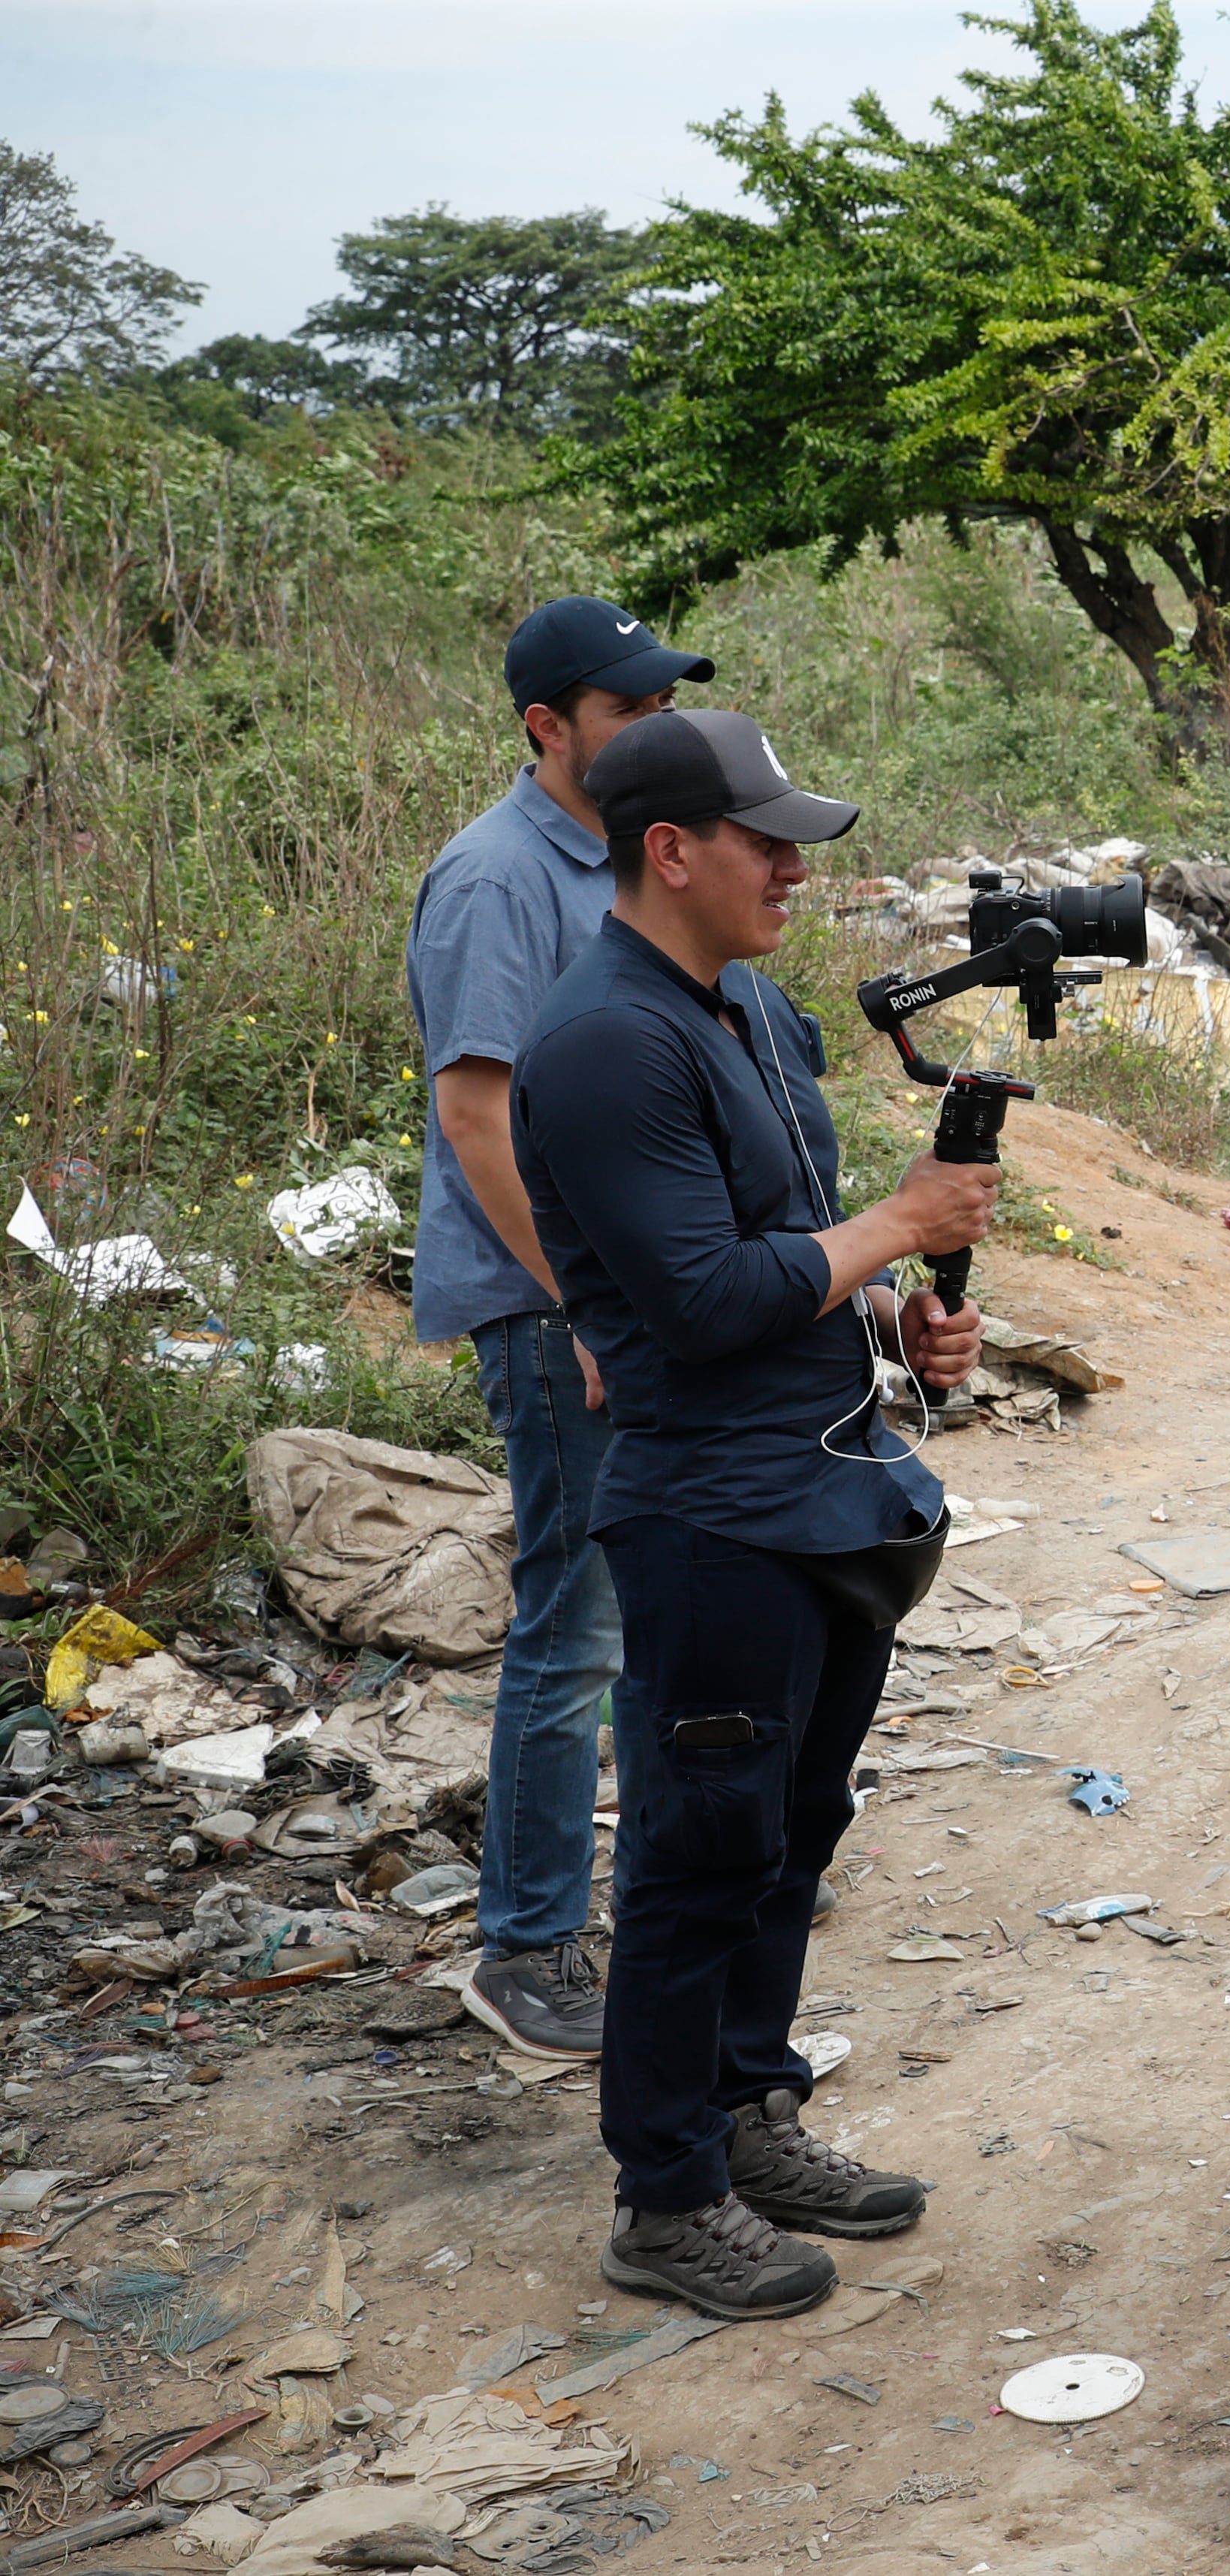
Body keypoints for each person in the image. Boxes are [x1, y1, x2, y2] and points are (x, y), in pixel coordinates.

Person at [511, 708, 996, 2323]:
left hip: (820, 1489)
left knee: (794, 1826)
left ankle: (748, 2108)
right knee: (695, 1846)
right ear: (669, 850)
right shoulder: (602, 1044)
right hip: (712, 1512)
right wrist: (899, 1219)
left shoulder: (754, 1015)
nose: (797, 865)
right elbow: (710, 1299)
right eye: (767, 839)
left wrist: (903, 1319)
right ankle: (666, 2190)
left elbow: (796, 1251)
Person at [405, 596, 713, 2060]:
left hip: (623, 1299)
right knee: (573, 1620)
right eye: (626, 709)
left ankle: (635, 1908)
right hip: (550, 1308)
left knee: (649, 1606)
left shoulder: (623, 862)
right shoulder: (494, 880)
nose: (654, 727)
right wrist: (590, 1299)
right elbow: (478, 1115)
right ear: (549, 726)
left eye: (663, 703)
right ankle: (523, 1949)